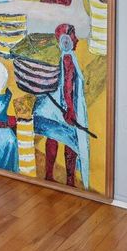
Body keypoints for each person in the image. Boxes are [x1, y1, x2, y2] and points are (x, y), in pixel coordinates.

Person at [33, 23, 91, 189]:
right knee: (71, 143)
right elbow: (67, 86)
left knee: (52, 138)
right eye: (74, 36)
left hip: (51, 108)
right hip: (65, 109)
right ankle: (70, 181)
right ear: (67, 39)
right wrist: (71, 110)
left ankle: (49, 175)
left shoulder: (56, 55)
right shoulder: (67, 58)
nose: (77, 39)